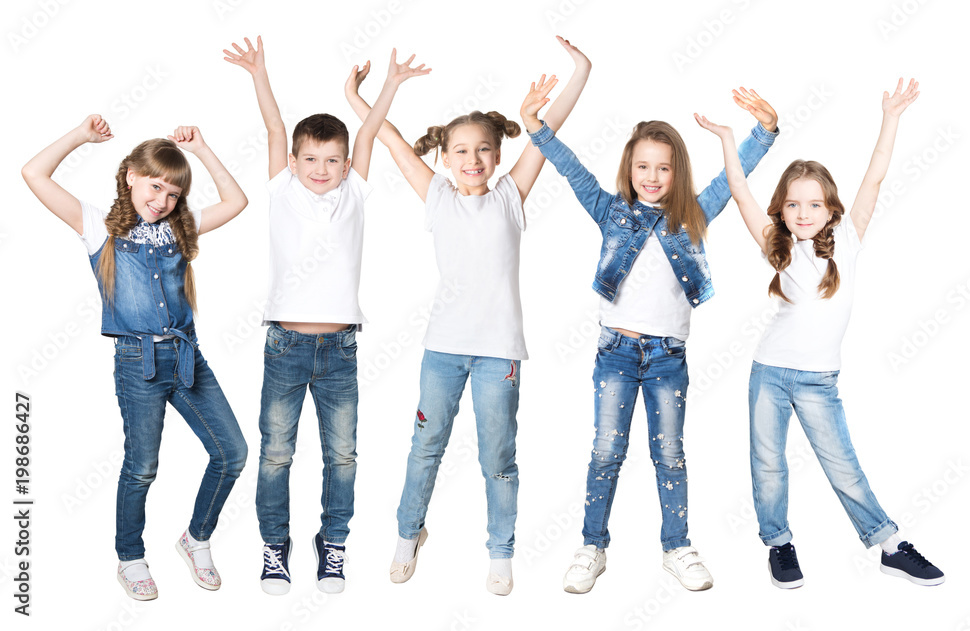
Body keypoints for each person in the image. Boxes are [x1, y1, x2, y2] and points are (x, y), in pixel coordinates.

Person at [344, 36, 590, 595]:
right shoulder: (436, 195)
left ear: (498, 156)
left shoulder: (510, 193)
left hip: (499, 352)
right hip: (444, 351)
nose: (473, 160)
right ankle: (409, 533)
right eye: (460, 151)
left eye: (483, 150)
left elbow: (551, 128)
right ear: (444, 157)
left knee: (498, 455)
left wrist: (581, 69)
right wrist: (357, 95)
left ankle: (500, 551)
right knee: (425, 446)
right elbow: (387, 138)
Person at [524, 87, 779, 594]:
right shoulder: (610, 211)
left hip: (668, 358)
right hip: (615, 353)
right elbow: (573, 169)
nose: (652, 177)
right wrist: (537, 128)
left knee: (670, 455)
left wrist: (764, 132)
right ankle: (592, 546)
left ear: (675, 172)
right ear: (630, 168)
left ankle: (676, 547)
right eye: (643, 167)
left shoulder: (694, 214)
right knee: (605, 453)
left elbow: (733, 179)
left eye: (663, 168)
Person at [695, 80, 944, 588]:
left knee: (843, 467)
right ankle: (779, 544)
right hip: (768, 373)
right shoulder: (777, 246)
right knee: (767, 466)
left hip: (817, 381)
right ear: (782, 211)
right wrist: (725, 137)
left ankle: (888, 544)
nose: (803, 213)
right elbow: (740, 191)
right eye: (793, 205)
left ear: (831, 209)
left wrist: (890, 116)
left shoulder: (847, 241)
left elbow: (874, 176)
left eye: (813, 204)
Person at [224, 36, 429, 595]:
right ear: (293, 162)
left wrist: (388, 84)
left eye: (332, 160)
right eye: (310, 159)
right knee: (276, 454)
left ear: (345, 165)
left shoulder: (354, 193)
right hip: (286, 346)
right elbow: (273, 126)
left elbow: (368, 134)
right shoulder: (281, 189)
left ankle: (332, 543)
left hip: (339, 348)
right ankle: (274, 545)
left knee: (342, 455)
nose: (322, 168)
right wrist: (258, 73)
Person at [22, 116, 249, 600]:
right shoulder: (98, 227)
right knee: (142, 466)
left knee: (232, 452)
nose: (161, 200)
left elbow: (237, 202)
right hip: (136, 364)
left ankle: (196, 538)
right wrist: (80, 137)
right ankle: (131, 557)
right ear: (130, 177)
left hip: (188, 361)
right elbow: (33, 174)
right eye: (154, 186)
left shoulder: (179, 227)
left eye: (172, 193)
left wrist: (204, 149)